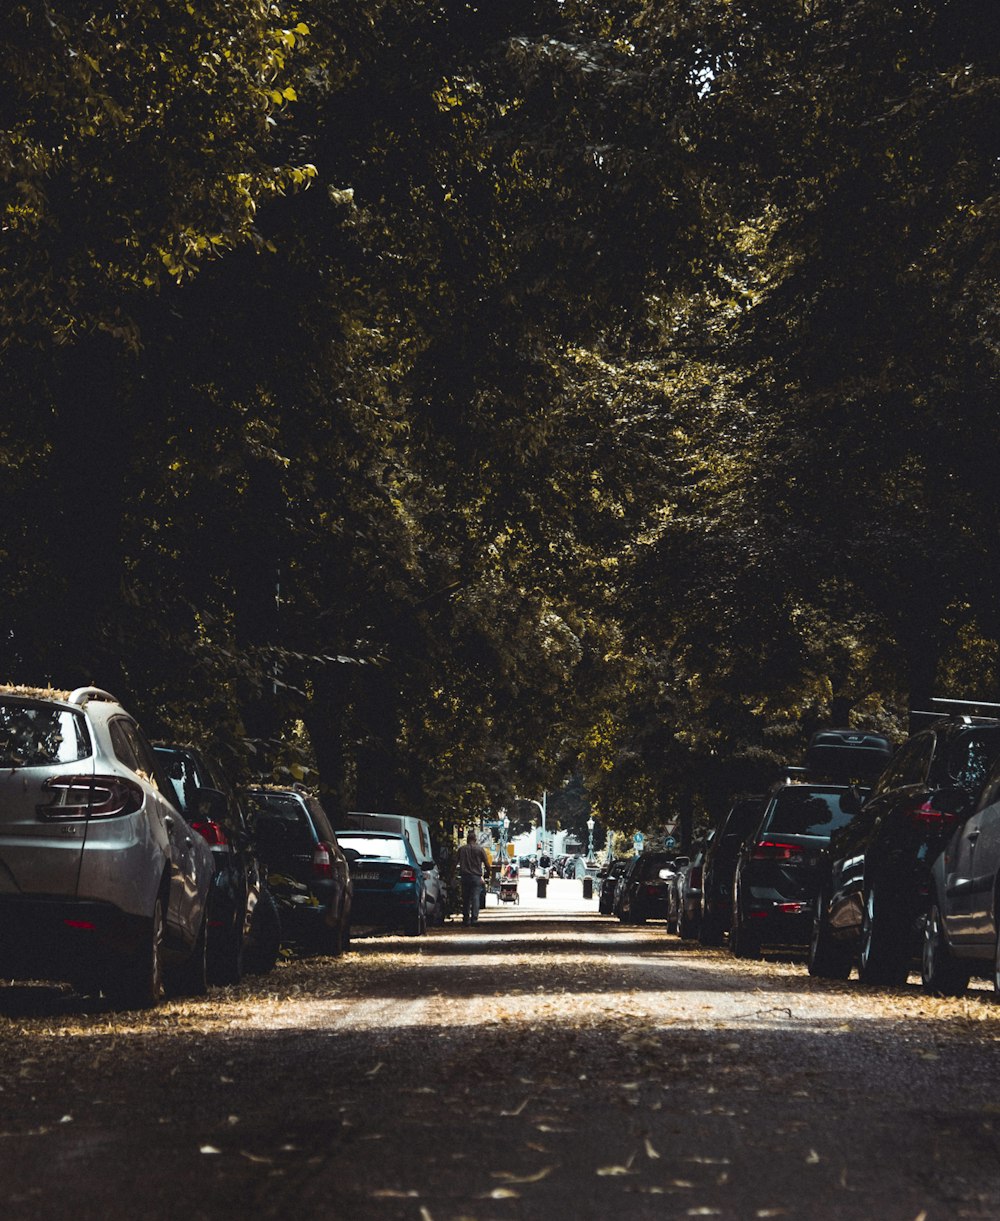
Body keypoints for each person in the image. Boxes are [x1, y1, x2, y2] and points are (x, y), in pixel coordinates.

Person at [456, 830, 490, 926]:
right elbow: (487, 864)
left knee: (465, 898)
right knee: (475, 898)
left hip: (465, 876)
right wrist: (488, 873)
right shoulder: (480, 850)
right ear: (475, 839)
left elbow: (454, 862)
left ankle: (465, 919)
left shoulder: (461, 849)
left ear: (467, 839)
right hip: (476, 877)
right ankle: (474, 919)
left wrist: (450, 875)